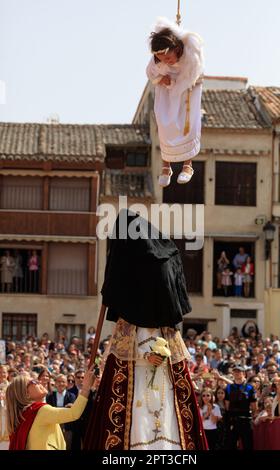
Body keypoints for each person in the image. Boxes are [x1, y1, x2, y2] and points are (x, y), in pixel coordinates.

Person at [83, 210, 208, 450]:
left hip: (141, 328)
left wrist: (111, 290)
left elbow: (114, 286)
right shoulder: (165, 249)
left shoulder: (125, 251)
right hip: (155, 330)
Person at [146, 17, 204, 187]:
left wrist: (182, 82)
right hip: (166, 96)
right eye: (162, 59)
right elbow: (150, 74)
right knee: (165, 127)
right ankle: (166, 167)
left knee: (188, 126)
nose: (166, 61)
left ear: (177, 48)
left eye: (168, 58)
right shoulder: (157, 61)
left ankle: (188, 165)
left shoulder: (190, 56)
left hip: (187, 94)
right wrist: (161, 80)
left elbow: (198, 73)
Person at [6, 367, 95, 450]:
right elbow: (74, 413)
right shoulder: (40, 410)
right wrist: (86, 388)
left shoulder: (23, 415)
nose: (39, 382)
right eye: (33, 382)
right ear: (26, 393)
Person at [225, 365, 257, 450]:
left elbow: (254, 405)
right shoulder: (228, 387)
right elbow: (227, 404)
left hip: (246, 420)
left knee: (248, 445)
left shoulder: (250, 387)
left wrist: (252, 416)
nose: (236, 373)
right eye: (235, 372)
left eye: (239, 371)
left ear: (244, 374)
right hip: (233, 420)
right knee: (231, 445)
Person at [46, 374, 76, 450]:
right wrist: (64, 408)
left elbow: (71, 411)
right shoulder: (50, 396)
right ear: (55, 383)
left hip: (67, 426)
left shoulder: (71, 396)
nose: (61, 384)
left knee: (67, 445)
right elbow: (48, 409)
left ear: (66, 383)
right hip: (54, 424)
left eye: (63, 382)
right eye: (58, 381)